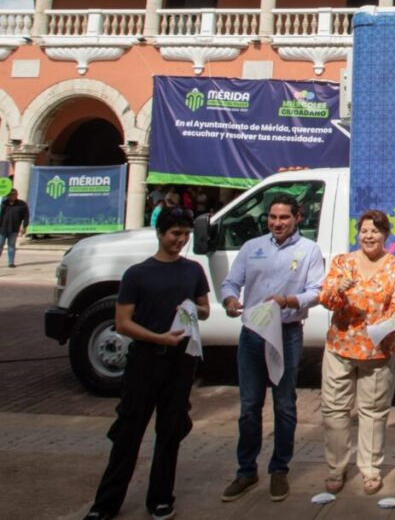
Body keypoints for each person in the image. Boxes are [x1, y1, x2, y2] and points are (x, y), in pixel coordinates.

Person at [84, 207, 210, 520]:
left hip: (180, 362)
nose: (180, 240)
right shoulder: (137, 274)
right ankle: (106, 504)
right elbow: (123, 322)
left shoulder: (193, 270)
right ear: (160, 233)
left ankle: (161, 498)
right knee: (128, 431)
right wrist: (157, 337)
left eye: (185, 235)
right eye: (175, 234)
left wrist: (192, 311)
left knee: (170, 431)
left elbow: (205, 309)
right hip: (144, 361)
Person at [219, 194, 324, 504]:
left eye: (284, 218)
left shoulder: (309, 251)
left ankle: (279, 469)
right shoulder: (253, 248)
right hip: (252, 333)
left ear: (297, 218)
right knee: (249, 405)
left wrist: (289, 301)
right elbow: (230, 283)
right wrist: (229, 301)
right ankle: (246, 471)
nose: (277, 223)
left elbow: (316, 292)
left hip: (287, 333)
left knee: (284, 405)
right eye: (273, 217)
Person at [320, 209, 395, 495]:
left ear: (385, 235)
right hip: (340, 347)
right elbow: (326, 300)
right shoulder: (342, 263)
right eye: (365, 231)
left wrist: (384, 324)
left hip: (378, 351)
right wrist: (338, 289)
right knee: (335, 410)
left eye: (376, 231)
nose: (369, 236)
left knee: (373, 412)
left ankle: (370, 469)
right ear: (358, 234)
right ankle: (336, 468)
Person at [0, 188, 29, 267]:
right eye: (11, 194)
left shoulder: (22, 204)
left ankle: (11, 262)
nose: (13, 196)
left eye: (15, 194)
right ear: (8, 195)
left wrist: (24, 226)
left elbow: (26, 216)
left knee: (11, 246)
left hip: (14, 229)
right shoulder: (3, 204)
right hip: (2, 229)